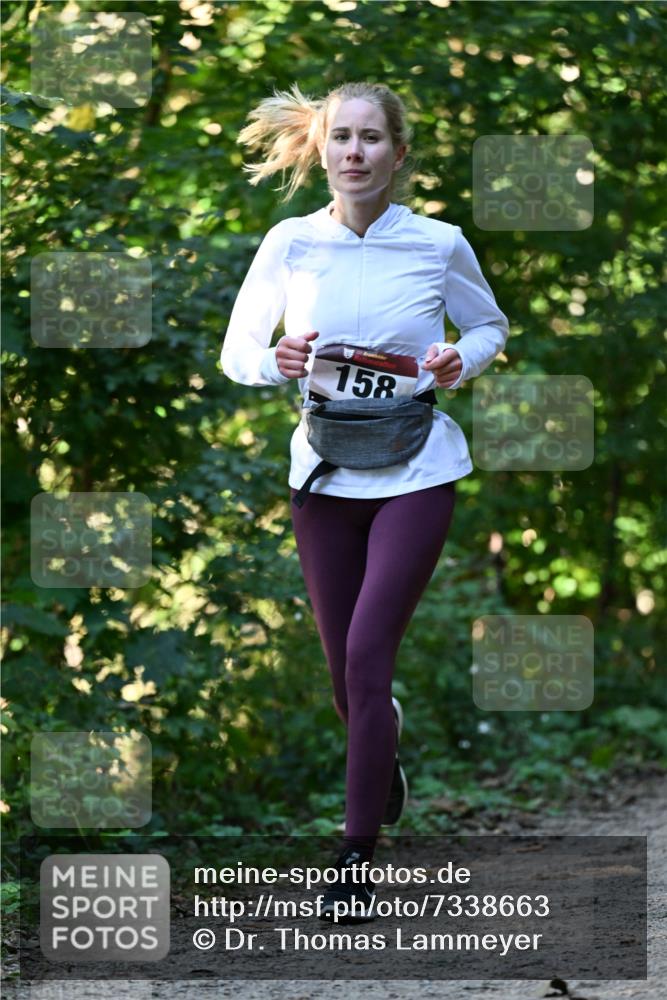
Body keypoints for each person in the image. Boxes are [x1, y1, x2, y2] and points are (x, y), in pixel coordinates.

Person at [220, 81, 509, 923]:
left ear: (398, 153)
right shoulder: (289, 243)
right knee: (345, 680)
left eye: (371, 138)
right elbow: (239, 348)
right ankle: (378, 754)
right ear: (320, 150)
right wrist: (273, 360)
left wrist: (463, 359)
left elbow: (488, 327)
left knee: (365, 658)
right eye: (340, 137)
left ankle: (353, 859)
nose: (354, 152)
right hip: (321, 473)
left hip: (417, 470)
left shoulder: (437, 243)